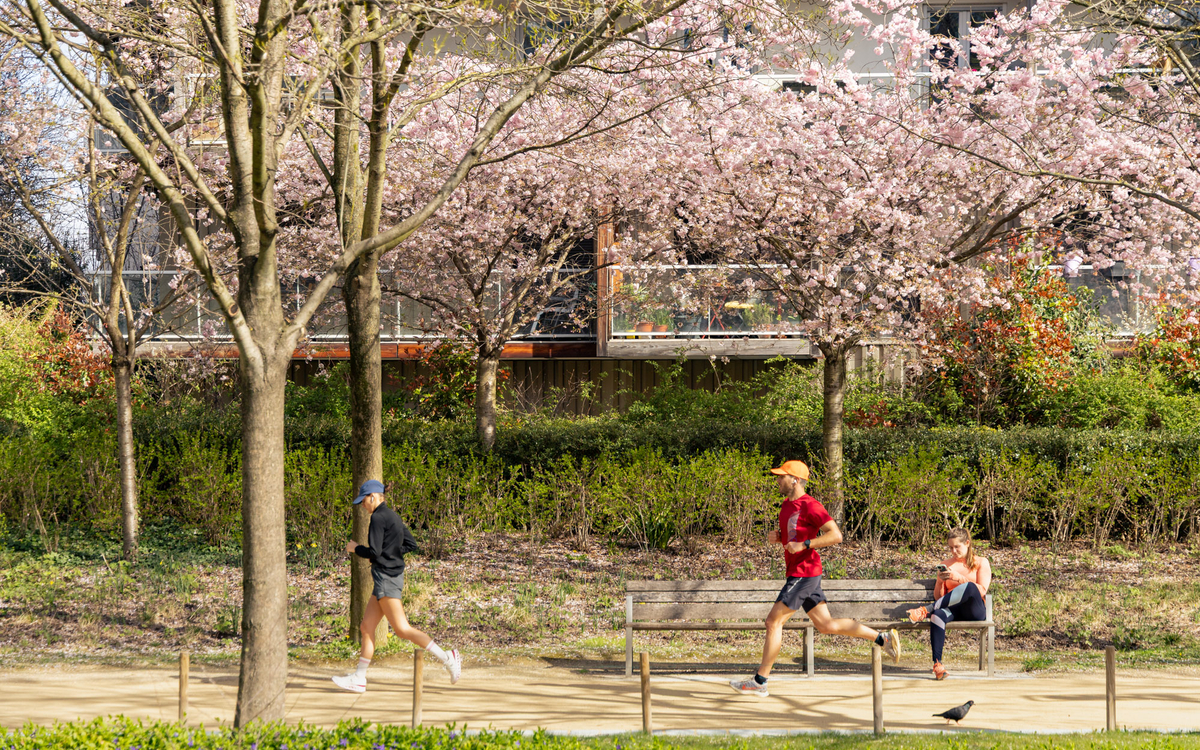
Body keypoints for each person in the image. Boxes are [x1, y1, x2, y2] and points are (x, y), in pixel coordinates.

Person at [729, 460, 901, 698]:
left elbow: (836, 535)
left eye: (782, 477)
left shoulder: (810, 505)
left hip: (804, 572)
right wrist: (780, 538)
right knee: (826, 625)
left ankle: (760, 681)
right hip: (803, 573)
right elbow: (793, 538)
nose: (777, 480)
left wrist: (805, 544)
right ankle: (882, 638)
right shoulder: (786, 507)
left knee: (773, 622)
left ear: (795, 480)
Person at [332, 480, 462, 693]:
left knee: (402, 629)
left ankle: (448, 658)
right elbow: (411, 544)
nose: (363, 506)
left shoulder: (377, 518)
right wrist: (392, 553)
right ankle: (359, 677)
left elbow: (373, 552)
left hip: (386, 578)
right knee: (366, 627)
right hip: (388, 578)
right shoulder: (393, 516)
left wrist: (356, 548)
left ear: (373, 496)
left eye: (363, 501)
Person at [906, 527, 992, 680]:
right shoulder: (946, 564)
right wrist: (940, 581)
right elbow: (940, 597)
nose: (953, 551)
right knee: (938, 614)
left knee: (970, 586)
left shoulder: (981, 562)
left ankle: (926, 610)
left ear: (967, 543)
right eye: (950, 547)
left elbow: (982, 591)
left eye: (957, 547)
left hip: (974, 611)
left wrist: (958, 578)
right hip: (954, 610)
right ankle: (938, 665)